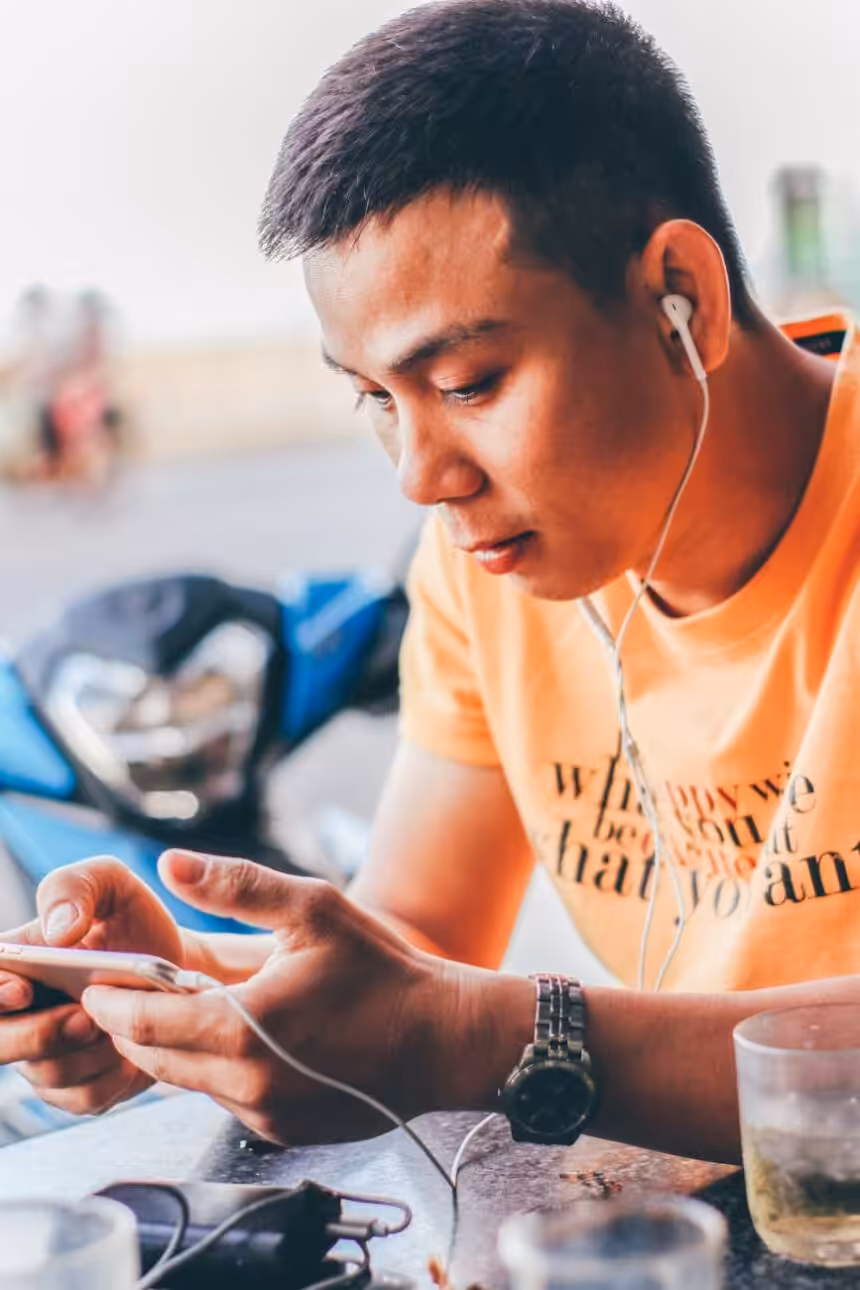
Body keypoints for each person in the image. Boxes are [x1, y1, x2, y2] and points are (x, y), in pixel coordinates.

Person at [0, 0, 858, 1165]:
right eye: (372, 399)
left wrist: (494, 1036)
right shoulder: (487, 562)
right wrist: (180, 993)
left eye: (464, 381)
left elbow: (452, 1023)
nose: (420, 477)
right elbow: (414, 947)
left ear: (682, 299)